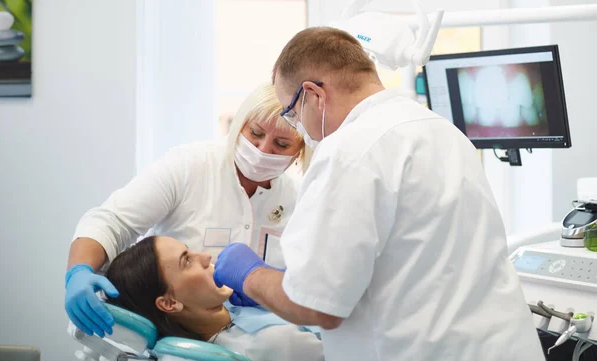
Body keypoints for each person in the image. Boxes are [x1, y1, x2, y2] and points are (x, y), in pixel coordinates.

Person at [212, 27, 545, 361]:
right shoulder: (441, 130)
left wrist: (249, 274)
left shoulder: (348, 150)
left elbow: (317, 306)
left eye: (292, 114)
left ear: (312, 95)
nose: (299, 127)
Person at [65, 82, 308, 339]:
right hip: (181, 338)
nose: (262, 150)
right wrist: (79, 271)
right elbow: (112, 221)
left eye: (281, 144)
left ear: (300, 152)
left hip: (250, 337)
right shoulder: (190, 167)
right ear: (239, 125)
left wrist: (272, 284)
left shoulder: (300, 199)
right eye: (255, 133)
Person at [105, 235, 324, 361]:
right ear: (170, 303)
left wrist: (270, 287)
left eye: (189, 251)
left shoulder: (236, 305)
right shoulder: (271, 344)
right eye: (187, 261)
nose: (206, 256)